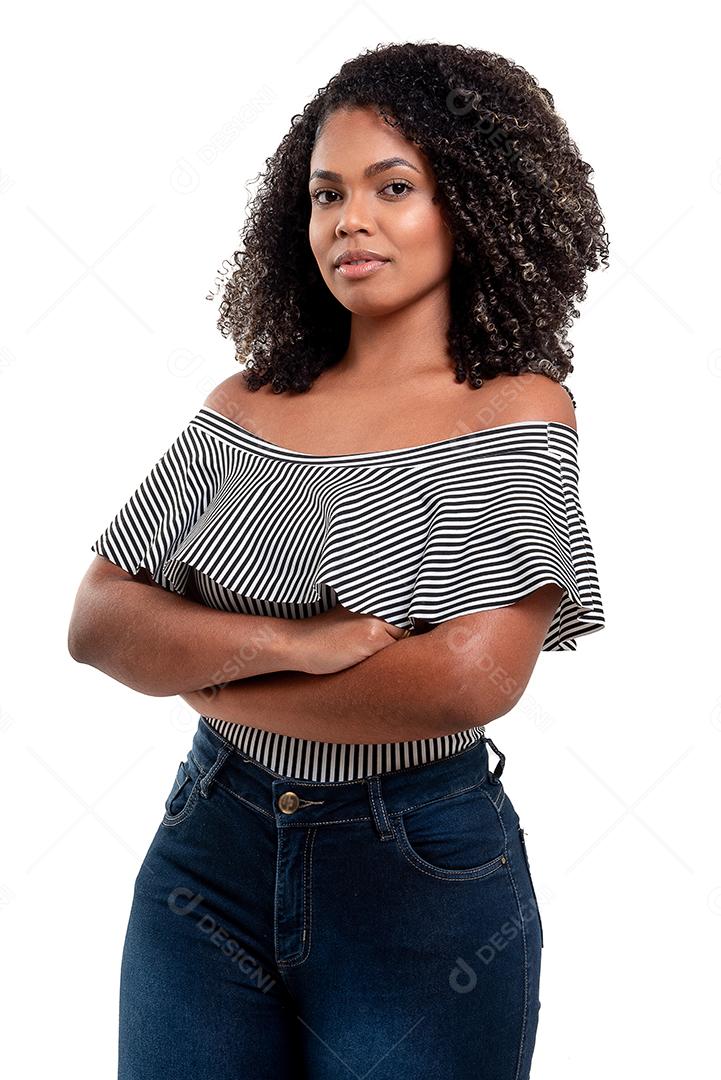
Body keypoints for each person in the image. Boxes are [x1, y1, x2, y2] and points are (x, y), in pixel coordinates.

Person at [68, 41, 607, 1080]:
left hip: (414, 872)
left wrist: (203, 675)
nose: (349, 220)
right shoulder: (245, 404)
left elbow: (464, 681)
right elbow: (98, 621)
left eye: (391, 187)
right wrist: (291, 645)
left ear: (471, 204)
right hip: (206, 853)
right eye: (327, 194)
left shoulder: (514, 412)